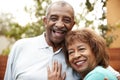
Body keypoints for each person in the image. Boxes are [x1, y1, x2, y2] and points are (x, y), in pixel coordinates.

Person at [4, 1, 120, 80]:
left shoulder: (77, 57)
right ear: (45, 21)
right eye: (54, 18)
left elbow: (105, 71)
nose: (59, 24)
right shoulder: (21, 47)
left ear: (73, 24)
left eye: (66, 20)